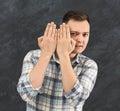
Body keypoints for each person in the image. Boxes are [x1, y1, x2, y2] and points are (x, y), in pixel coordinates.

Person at [17, 10, 98, 111]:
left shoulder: (89, 65)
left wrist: (63, 54)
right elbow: (26, 94)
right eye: (74, 33)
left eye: (85, 34)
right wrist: (46, 53)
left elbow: (77, 99)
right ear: (61, 33)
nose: (81, 40)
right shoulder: (33, 56)